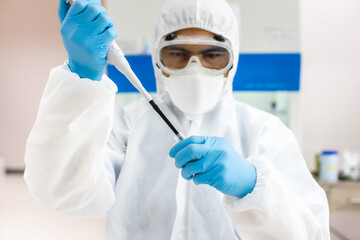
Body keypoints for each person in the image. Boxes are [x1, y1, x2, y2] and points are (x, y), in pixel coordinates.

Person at [24, 0, 330, 239]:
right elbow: (62, 194)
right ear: (158, 59)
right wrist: (82, 77)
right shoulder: (127, 125)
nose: (194, 67)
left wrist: (253, 187)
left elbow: (311, 234)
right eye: (177, 53)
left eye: (212, 55)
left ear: (232, 60)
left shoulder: (265, 132)